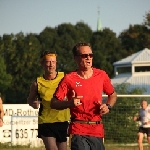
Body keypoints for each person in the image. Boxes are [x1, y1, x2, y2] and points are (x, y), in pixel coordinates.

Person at [50, 42, 117, 150]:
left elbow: (113, 95)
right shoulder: (69, 79)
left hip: (97, 129)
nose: (88, 58)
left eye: (91, 55)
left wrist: (108, 106)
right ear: (76, 58)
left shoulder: (101, 75)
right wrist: (69, 103)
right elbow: (53, 103)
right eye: (84, 56)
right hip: (78, 129)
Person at [27, 51, 70, 150]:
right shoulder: (37, 83)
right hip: (46, 121)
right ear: (42, 64)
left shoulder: (64, 77)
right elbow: (30, 99)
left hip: (62, 120)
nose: (51, 65)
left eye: (53, 62)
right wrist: (33, 103)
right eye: (48, 62)